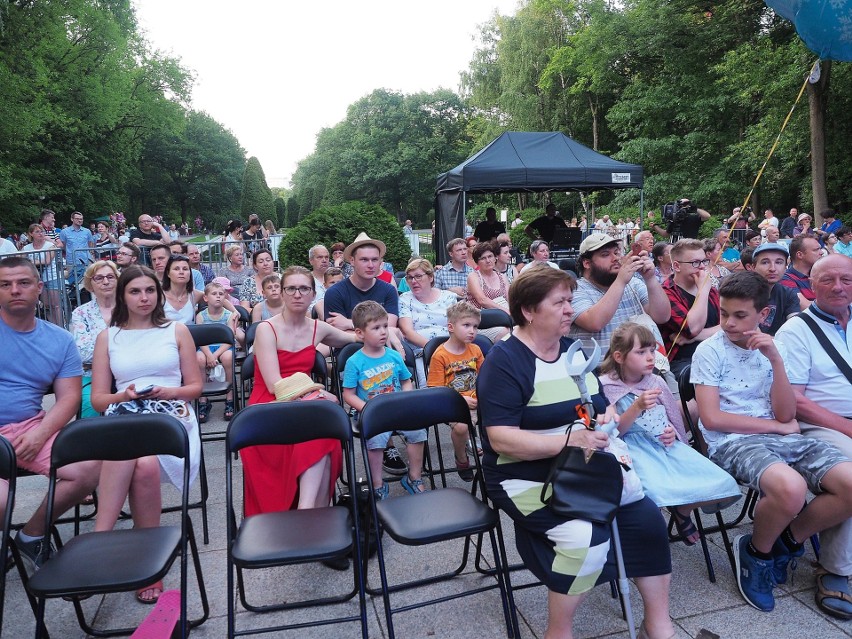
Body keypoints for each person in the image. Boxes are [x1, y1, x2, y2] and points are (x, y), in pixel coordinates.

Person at [477, 266, 676, 639]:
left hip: (581, 466)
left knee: (648, 518)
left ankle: (658, 624)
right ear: (529, 311)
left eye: (571, 300)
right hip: (522, 474)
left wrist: (606, 417)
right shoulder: (505, 362)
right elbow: (501, 440)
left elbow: (597, 407)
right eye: (560, 302)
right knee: (585, 541)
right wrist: (570, 440)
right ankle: (559, 632)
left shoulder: (572, 350)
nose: (571, 309)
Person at [692, 270, 852, 613]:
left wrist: (776, 361)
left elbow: (784, 412)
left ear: (764, 315)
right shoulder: (710, 351)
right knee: (790, 488)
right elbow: (711, 419)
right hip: (732, 441)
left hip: (779, 436)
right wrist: (779, 429)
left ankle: (787, 538)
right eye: (723, 314)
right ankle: (757, 554)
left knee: (850, 483)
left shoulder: (773, 347)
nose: (729, 323)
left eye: (740, 315)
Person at [90, 264, 203, 604]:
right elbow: (98, 400)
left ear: (158, 293)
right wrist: (124, 395)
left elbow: (195, 387)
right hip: (125, 411)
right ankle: (149, 566)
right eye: (135, 291)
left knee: (139, 455)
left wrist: (169, 392)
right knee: (144, 464)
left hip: (172, 416)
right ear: (123, 296)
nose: (144, 298)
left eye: (150, 290)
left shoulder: (177, 330)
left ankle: (98, 542)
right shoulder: (108, 337)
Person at [599, 322, 741, 546]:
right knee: (651, 492)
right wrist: (636, 407)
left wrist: (671, 432)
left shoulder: (656, 381)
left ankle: (682, 511)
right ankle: (644, 531)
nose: (650, 357)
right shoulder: (606, 386)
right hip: (631, 450)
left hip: (663, 446)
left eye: (652, 350)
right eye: (641, 352)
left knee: (723, 483)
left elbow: (672, 417)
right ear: (619, 356)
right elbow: (613, 433)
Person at [0, 257, 99, 574]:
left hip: (28, 428)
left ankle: (31, 534)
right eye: (5, 284)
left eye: (23, 283)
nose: (15, 290)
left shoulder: (59, 340)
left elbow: (69, 399)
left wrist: (40, 434)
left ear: (39, 288)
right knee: (1, 503)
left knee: (87, 470)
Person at [776, 254, 852, 618]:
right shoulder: (796, 330)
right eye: (828, 280)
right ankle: (833, 567)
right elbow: (796, 401)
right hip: (819, 423)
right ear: (811, 284)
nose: (838, 287)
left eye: (846, 280)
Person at [242, 266, 352, 516]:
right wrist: (320, 394)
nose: (297, 294)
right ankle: (312, 517)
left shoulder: (317, 327)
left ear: (313, 294)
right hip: (269, 406)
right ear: (281, 292)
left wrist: (388, 331)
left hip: (304, 402)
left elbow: (356, 337)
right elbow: (275, 385)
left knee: (325, 433)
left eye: (304, 288)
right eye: (291, 288)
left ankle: (311, 514)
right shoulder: (266, 329)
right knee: (321, 429)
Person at [342, 301, 425, 498]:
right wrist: (367, 409)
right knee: (377, 438)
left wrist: (405, 397)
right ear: (360, 333)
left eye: (385, 326)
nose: (383, 332)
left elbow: (406, 381)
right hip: (371, 411)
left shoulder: (394, 356)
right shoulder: (354, 362)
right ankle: (377, 483)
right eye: (376, 328)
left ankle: (414, 477)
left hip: (397, 408)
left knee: (418, 430)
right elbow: (348, 394)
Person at [568, 233, 670, 355]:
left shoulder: (633, 284)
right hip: (596, 371)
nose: (615, 258)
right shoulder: (575, 289)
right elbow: (594, 322)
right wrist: (621, 281)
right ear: (587, 263)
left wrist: (650, 278)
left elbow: (662, 316)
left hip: (639, 368)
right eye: (605, 254)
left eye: (616, 252)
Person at [425, 301, 484, 482]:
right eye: (466, 325)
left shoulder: (476, 349)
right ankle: (461, 458)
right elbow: (435, 389)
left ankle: (494, 459)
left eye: (475, 326)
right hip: (452, 404)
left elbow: (485, 378)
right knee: (461, 427)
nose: (472, 330)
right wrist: (461, 400)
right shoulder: (440, 355)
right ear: (450, 327)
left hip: (477, 400)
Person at [658, 239, 720, 378]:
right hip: (683, 362)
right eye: (695, 263)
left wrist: (694, 337)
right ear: (677, 266)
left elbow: (729, 326)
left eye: (704, 261)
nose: (702, 267)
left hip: (715, 354)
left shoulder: (712, 291)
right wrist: (703, 290)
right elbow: (691, 329)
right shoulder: (666, 293)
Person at [397, 258, 457, 385]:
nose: (414, 281)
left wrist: (447, 349)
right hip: (421, 351)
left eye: (418, 276)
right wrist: (434, 348)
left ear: (430, 277)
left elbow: (456, 327)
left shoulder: (448, 297)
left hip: (451, 347)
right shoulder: (405, 299)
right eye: (410, 278)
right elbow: (407, 332)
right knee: (429, 385)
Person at [70, 261, 119, 418]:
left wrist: (100, 350)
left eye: (110, 277)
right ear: (90, 284)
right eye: (99, 278)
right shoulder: (81, 313)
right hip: (92, 375)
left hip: (126, 373)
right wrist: (120, 351)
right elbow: (83, 353)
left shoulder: (130, 309)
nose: (105, 282)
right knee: (90, 405)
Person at [195, 280, 242, 422]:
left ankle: (230, 398)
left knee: (228, 358)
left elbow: (230, 339)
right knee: (199, 359)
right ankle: (203, 399)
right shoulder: (200, 316)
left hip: (224, 346)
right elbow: (199, 338)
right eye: (214, 294)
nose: (218, 297)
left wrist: (215, 355)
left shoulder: (229, 315)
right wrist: (209, 354)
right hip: (205, 346)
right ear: (205, 298)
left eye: (221, 294)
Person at [748, 242, 801, 335]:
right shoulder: (741, 293)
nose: (772, 268)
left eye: (778, 262)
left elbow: (796, 329)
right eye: (765, 262)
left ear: (785, 267)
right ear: (753, 267)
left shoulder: (788, 294)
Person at [466, 240, 511, 343]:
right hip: (482, 322)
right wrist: (505, 312)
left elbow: (510, 298)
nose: (488, 260)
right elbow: (482, 300)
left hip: (506, 319)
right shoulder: (474, 277)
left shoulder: (502, 277)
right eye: (483, 258)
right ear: (477, 262)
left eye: (490, 256)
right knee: (505, 333)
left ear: (495, 257)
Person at [21, 223, 63, 325]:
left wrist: (30, 262)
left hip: (52, 276)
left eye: (42, 231)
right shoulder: (27, 248)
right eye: (37, 231)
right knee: (47, 305)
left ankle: (61, 327)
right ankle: (53, 326)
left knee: (56, 305)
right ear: (31, 234)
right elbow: (20, 260)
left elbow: (47, 260)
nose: (41, 233)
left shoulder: (50, 245)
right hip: (37, 279)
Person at [780, 235, 822, 309]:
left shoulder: (820, 275)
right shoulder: (785, 278)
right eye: (816, 250)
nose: (821, 252)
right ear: (800, 255)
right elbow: (806, 307)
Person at [162, 254, 204, 325]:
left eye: (185, 269)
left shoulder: (195, 295)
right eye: (176, 269)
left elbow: (221, 298)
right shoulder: (159, 296)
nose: (181, 272)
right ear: (168, 273)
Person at [59, 211, 95, 285]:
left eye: (81, 219)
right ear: (72, 219)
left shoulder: (87, 231)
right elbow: (63, 245)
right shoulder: (64, 232)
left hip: (85, 260)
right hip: (71, 261)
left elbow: (90, 244)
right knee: (72, 282)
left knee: (87, 282)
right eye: (77, 219)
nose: (80, 220)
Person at [308, 244, 330, 312]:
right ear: (311, 261)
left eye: (326, 257)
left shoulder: (336, 278)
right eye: (320, 257)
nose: (324, 260)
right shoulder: (306, 281)